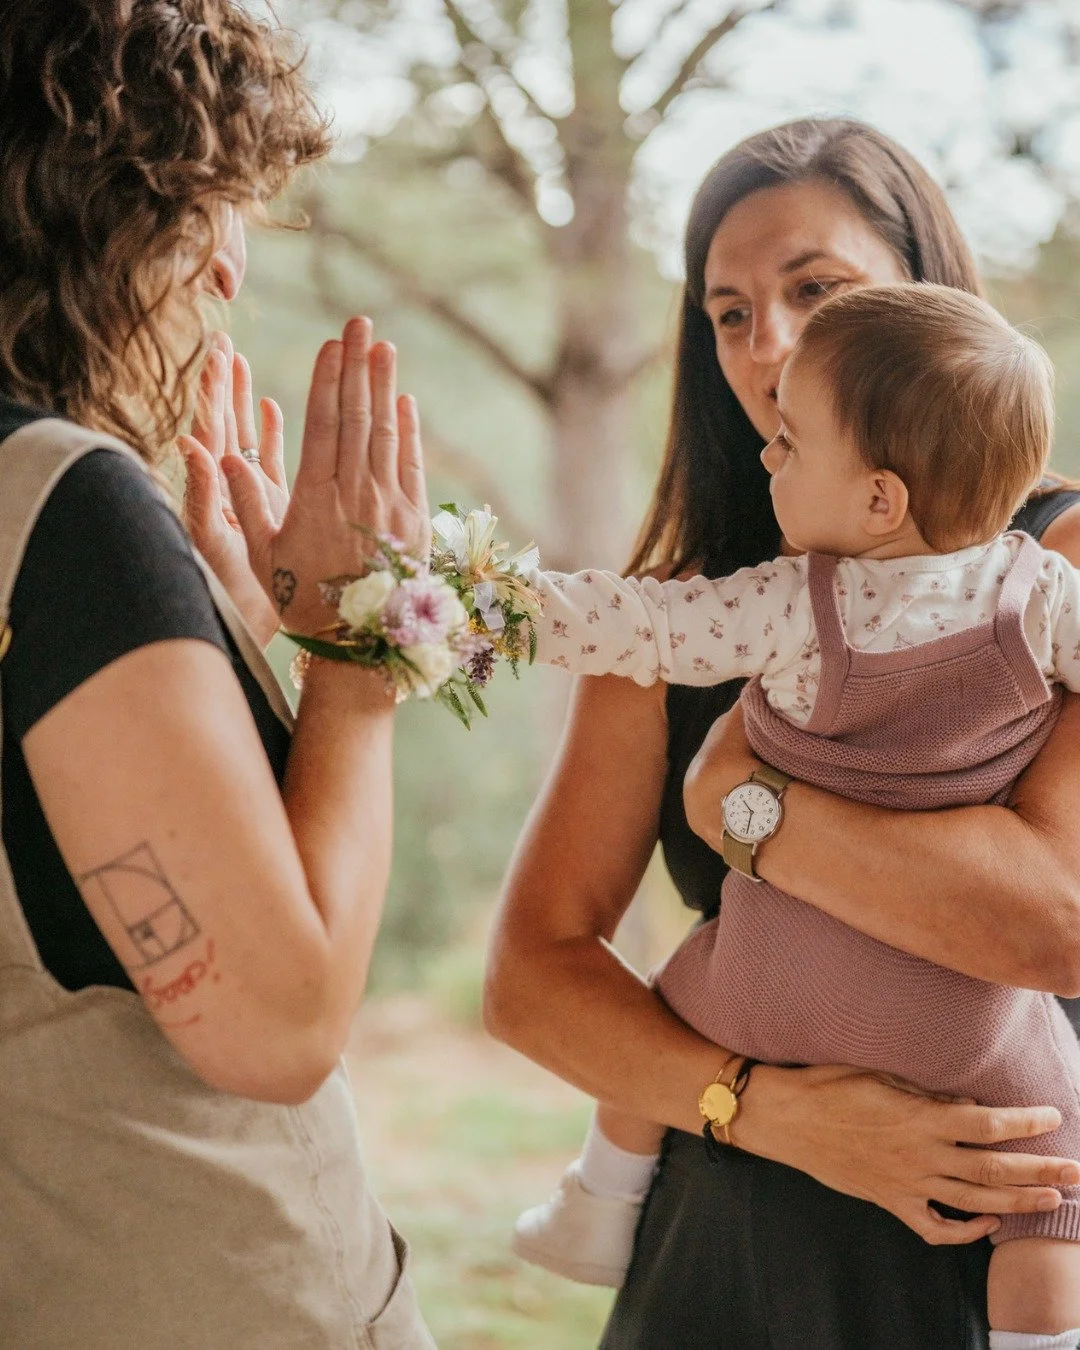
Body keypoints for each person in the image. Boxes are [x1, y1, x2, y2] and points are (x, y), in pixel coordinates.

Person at [483, 118, 1080, 1348]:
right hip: (727, 1262)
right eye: (730, 313)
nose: (770, 346)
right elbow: (533, 977)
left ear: (924, 292)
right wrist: (766, 1110)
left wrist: (743, 806)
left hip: (988, 1245)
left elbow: (1055, 924)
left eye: (817, 290)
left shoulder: (1050, 566)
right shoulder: (686, 612)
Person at [0, 3, 434, 1347]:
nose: (231, 270)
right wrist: (355, 658)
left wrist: (217, 637)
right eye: (212, 210)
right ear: (107, 209)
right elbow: (278, 1026)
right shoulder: (57, 503)